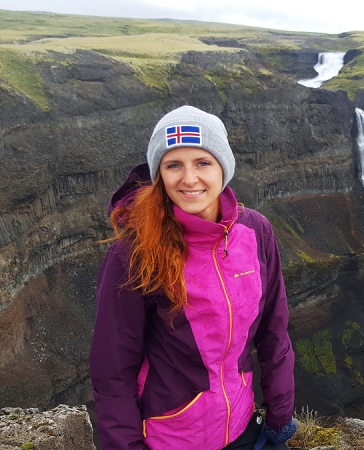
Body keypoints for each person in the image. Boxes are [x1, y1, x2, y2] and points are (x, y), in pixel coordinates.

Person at [89, 105, 296, 450]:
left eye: (202, 162)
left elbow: (274, 331)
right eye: (173, 165)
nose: (189, 179)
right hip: (172, 439)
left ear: (223, 167)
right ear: (159, 174)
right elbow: (113, 368)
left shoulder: (255, 230)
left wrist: (280, 415)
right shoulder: (134, 251)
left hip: (244, 428)